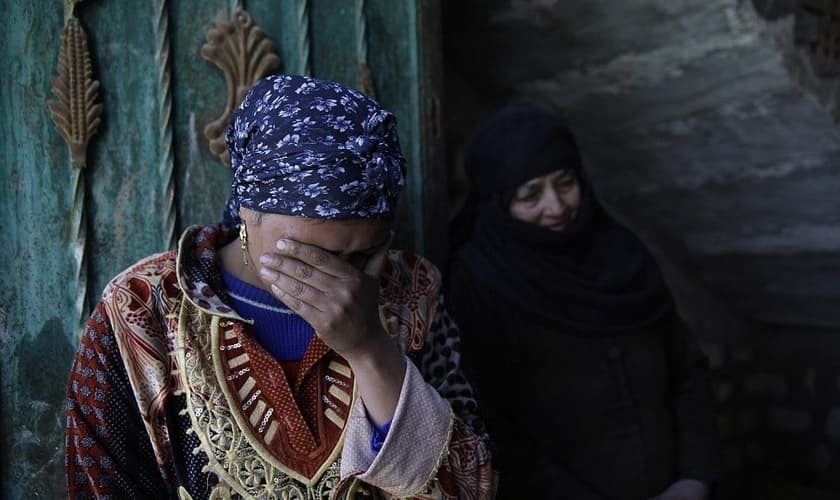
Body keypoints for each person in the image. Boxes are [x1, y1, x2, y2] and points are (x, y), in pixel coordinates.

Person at [65, 74, 495, 499]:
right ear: (248, 210)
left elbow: (474, 488)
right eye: (309, 252)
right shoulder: (141, 312)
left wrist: (371, 350)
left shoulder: (412, 292)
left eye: (362, 256)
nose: (339, 281)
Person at [446, 104, 721, 500]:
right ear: (498, 200)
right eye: (530, 195)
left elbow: (686, 370)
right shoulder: (480, 281)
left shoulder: (623, 257)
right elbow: (489, 422)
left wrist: (694, 478)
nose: (556, 207)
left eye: (565, 182)